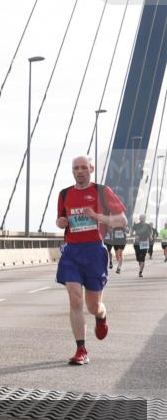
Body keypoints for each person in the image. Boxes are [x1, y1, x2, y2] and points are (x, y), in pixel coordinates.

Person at [55, 156, 127, 365]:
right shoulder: (64, 194)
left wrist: (98, 217)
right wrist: (61, 222)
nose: (80, 171)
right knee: (75, 298)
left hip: (95, 251)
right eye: (76, 168)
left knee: (93, 306)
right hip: (71, 252)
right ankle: (81, 349)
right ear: (72, 171)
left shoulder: (101, 191)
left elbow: (122, 220)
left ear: (91, 169)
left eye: (84, 168)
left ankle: (101, 316)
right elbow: (61, 221)